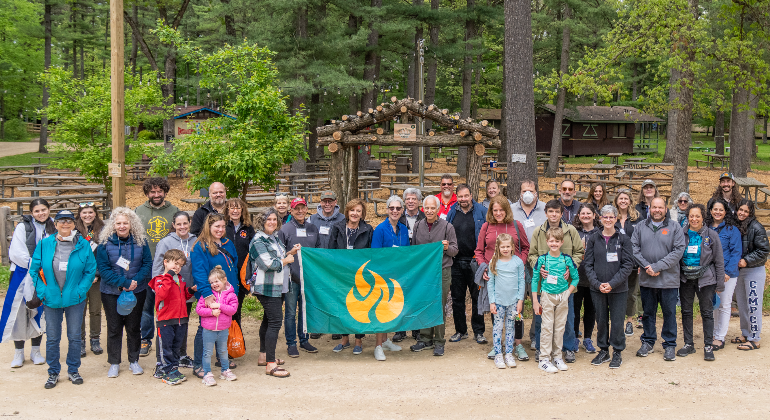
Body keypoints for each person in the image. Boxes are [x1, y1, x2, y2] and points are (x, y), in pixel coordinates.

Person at [30, 210, 97, 389]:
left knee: (74, 336)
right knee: (52, 337)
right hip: (51, 299)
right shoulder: (44, 244)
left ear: (74, 224)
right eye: (61, 221)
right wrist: (42, 291)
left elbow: (91, 270)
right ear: (56, 223)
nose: (65, 224)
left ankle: (73, 369)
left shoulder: (83, 244)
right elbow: (34, 270)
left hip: (75, 299)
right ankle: (53, 372)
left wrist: (81, 290)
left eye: (69, 221)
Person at [96, 207, 153, 378]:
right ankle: (114, 362)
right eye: (118, 223)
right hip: (111, 292)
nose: (122, 226)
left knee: (134, 327)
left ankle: (134, 361)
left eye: (125, 223)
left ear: (131, 224)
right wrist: (124, 283)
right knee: (114, 327)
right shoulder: (104, 244)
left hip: (137, 291)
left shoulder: (141, 242)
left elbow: (147, 263)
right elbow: (104, 270)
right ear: (113, 224)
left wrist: (135, 281)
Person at [528, 199, 584, 363]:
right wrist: (539, 267)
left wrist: (570, 267)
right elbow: (532, 254)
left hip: (565, 286)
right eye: (550, 211)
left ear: (561, 213)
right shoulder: (538, 232)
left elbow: (579, 252)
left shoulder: (571, 231)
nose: (553, 214)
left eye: (557, 212)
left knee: (567, 319)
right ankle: (541, 348)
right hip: (543, 287)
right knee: (541, 320)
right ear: (546, 213)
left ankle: (567, 348)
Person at [475, 195, 530, 361]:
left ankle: (517, 344)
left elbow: (526, 247)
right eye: (495, 210)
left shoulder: (516, 225)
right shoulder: (486, 226)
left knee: (516, 312)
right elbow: (479, 251)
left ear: (507, 210)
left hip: (514, 275)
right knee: (496, 310)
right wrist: (484, 267)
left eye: (501, 210)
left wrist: (519, 263)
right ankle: (497, 345)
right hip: (495, 274)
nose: (498, 213)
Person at [631, 197, 686, 361]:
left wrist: (658, 266)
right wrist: (648, 266)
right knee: (648, 313)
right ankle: (648, 341)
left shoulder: (674, 227)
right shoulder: (641, 226)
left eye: (660, 207)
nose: (657, 210)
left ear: (666, 209)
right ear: (649, 209)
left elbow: (678, 251)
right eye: (654, 207)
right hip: (647, 279)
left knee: (669, 313)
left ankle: (669, 344)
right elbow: (634, 249)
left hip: (668, 280)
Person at [2, 199, 54, 368]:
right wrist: (37, 264)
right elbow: (16, 253)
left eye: (44, 210)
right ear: (32, 212)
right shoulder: (22, 227)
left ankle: (36, 350)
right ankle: (18, 353)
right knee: (20, 311)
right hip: (22, 274)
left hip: (45, 276)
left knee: (40, 310)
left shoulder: (53, 226)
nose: (41, 213)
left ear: (48, 210)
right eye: (37, 211)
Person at [583, 205, 634, 369]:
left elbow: (627, 265)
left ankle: (617, 351)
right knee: (602, 320)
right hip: (597, 288)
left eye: (611, 217)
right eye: (605, 217)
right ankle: (603, 350)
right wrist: (597, 284)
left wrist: (612, 284)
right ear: (600, 219)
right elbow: (588, 264)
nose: (608, 220)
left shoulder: (623, 239)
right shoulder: (593, 238)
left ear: (616, 218)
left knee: (618, 322)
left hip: (618, 289)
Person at [190, 213, 239, 378]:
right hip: (210, 294)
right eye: (217, 226)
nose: (220, 229)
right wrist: (206, 294)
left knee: (223, 326)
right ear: (208, 227)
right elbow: (199, 271)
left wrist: (233, 290)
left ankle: (221, 358)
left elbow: (234, 264)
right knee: (204, 328)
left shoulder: (228, 243)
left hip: (227, 292)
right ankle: (199, 364)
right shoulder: (201, 246)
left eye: (223, 226)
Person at [135, 178, 180, 358]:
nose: (156, 195)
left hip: (168, 267)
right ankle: (145, 338)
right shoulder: (139, 211)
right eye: (152, 192)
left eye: (159, 191)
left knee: (168, 305)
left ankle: (170, 339)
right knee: (146, 306)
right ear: (147, 193)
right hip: (146, 265)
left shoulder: (175, 211)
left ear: (165, 192)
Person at [409, 195, 458, 356]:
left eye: (432, 208)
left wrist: (446, 248)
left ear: (438, 209)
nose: (429, 211)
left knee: (438, 305)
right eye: (427, 208)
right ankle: (425, 338)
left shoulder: (447, 227)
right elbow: (414, 250)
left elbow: (455, 250)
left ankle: (439, 341)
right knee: (424, 303)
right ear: (423, 208)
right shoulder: (418, 226)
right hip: (424, 272)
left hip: (442, 271)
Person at [249, 208, 295, 378]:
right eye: (268, 219)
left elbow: (279, 258)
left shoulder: (274, 237)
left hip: (278, 286)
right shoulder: (258, 240)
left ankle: (264, 356)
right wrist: (286, 260)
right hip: (267, 287)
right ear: (262, 221)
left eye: (275, 219)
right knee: (275, 322)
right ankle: (270, 364)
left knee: (268, 321)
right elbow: (267, 264)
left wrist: (290, 253)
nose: (272, 222)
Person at [151, 211, 197, 374]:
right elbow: (158, 264)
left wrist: (192, 288)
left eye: (185, 223)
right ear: (174, 225)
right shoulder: (166, 242)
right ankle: (162, 363)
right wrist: (157, 286)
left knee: (182, 324)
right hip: (167, 291)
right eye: (179, 224)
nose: (182, 226)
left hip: (185, 289)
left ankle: (180, 356)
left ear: (189, 223)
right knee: (166, 328)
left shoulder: (195, 240)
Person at [677, 204, 724, 361]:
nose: (694, 219)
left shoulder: (711, 235)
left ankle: (708, 345)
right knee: (686, 311)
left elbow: (718, 261)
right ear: (687, 217)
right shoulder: (681, 234)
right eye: (691, 216)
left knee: (706, 312)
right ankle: (688, 344)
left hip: (706, 279)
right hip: (685, 278)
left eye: (697, 216)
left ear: (703, 217)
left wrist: (719, 284)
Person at [328, 198, 374, 354]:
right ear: (347, 212)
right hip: (341, 275)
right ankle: (344, 339)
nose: (355, 213)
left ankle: (359, 340)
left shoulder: (368, 229)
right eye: (352, 210)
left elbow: (370, 253)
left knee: (360, 306)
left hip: (360, 274)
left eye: (358, 211)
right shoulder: (337, 228)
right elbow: (331, 251)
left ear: (362, 214)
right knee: (343, 305)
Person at [531, 227, 579, 373]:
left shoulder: (566, 259)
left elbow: (576, 278)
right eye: (551, 241)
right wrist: (535, 300)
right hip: (547, 295)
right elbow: (535, 279)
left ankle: (557, 356)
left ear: (561, 242)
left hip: (563, 296)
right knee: (547, 326)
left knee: (560, 327)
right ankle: (544, 359)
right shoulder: (542, 259)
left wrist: (568, 293)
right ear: (546, 242)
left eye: (557, 241)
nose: (554, 244)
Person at [277, 197, 320, 357]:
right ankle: (291, 343)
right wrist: (291, 252)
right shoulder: (285, 229)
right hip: (291, 278)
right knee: (290, 312)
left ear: (306, 209)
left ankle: (304, 340)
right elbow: (280, 254)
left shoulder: (313, 228)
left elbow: (318, 252)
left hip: (307, 278)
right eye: (296, 208)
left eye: (303, 208)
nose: (300, 211)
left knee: (304, 311)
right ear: (292, 210)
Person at [447, 184, 489, 345]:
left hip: (475, 261)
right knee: (457, 297)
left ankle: (479, 331)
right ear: (456, 197)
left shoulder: (481, 211)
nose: (463, 199)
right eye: (460, 196)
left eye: (466, 196)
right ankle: (460, 330)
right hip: (456, 261)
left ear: (471, 195)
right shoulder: (453, 212)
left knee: (476, 297)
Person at [370, 195, 410, 361]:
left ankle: (385, 341)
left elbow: (407, 253)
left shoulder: (404, 229)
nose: (395, 211)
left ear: (402, 210)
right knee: (381, 310)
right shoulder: (380, 229)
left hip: (398, 276)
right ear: (387, 210)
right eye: (391, 208)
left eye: (398, 208)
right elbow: (375, 254)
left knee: (391, 309)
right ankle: (377, 346)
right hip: (382, 276)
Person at [511, 179, 547, 350]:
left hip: (538, 262)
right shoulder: (511, 209)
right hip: (516, 261)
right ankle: (517, 335)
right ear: (520, 192)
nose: (527, 193)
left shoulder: (545, 209)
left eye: (531, 190)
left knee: (537, 300)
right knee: (516, 300)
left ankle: (535, 335)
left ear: (536, 193)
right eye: (524, 190)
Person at [149, 249, 194, 385]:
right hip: (165, 320)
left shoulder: (180, 279)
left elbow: (183, 297)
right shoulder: (159, 280)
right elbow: (162, 294)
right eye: (175, 264)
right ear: (165, 262)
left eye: (180, 265)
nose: (177, 268)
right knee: (166, 347)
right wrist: (169, 276)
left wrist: (191, 291)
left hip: (180, 319)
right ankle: (165, 370)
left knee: (176, 346)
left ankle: (173, 368)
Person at [732, 199, 768, 350]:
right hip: (739, 271)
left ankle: (755, 338)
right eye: (741, 210)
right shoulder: (735, 225)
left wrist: (747, 260)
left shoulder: (756, 227)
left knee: (753, 303)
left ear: (751, 213)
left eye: (746, 211)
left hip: (754, 270)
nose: (742, 213)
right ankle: (746, 333)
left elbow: (764, 250)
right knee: (742, 304)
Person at [706, 198, 742, 350]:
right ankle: (714, 333)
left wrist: (726, 272)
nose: (718, 212)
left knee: (725, 304)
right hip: (710, 273)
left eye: (721, 210)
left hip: (728, 274)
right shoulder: (706, 228)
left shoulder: (731, 230)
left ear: (726, 212)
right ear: (710, 211)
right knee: (714, 304)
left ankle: (720, 337)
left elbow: (736, 252)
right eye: (715, 209)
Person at [487, 233, 526, 369]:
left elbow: (522, 282)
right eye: (502, 246)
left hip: (513, 302)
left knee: (510, 327)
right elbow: (490, 283)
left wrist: (520, 300)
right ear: (498, 247)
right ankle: (498, 354)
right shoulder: (494, 262)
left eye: (507, 246)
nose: (505, 249)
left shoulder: (518, 262)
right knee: (498, 327)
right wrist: (492, 301)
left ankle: (509, 353)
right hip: (498, 301)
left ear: (512, 247)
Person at [196, 265, 238, 386]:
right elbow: (199, 310)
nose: (214, 284)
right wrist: (211, 312)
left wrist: (219, 306)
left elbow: (232, 310)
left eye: (216, 281)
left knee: (223, 351)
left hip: (223, 329)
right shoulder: (207, 295)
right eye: (211, 282)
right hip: (208, 329)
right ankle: (207, 374)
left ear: (224, 279)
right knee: (207, 352)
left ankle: (225, 370)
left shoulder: (231, 295)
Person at [394, 188, 425, 342]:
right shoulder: (397, 218)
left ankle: (416, 329)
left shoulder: (426, 217)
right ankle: (400, 330)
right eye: (408, 199)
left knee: (416, 295)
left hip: (419, 264)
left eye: (414, 199)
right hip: (401, 264)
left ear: (419, 201)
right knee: (400, 295)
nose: (411, 201)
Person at [75, 203, 105, 357]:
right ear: (80, 214)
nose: (87, 215)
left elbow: (105, 254)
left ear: (95, 213)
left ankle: (95, 338)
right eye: (84, 212)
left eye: (90, 212)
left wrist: (97, 274)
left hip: (96, 278)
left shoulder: (103, 229)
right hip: (78, 278)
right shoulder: (73, 230)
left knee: (95, 310)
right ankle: (79, 341)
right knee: (79, 310)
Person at [224, 198, 255, 336]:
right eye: (232, 207)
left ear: (242, 210)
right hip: (224, 276)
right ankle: (224, 342)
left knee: (236, 309)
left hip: (241, 276)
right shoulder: (222, 227)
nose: (235, 210)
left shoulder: (248, 228)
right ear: (227, 210)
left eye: (238, 208)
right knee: (225, 310)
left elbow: (253, 251)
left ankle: (236, 341)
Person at [572, 203, 600, 354]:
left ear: (594, 215)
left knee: (591, 310)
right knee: (575, 309)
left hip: (593, 279)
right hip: (576, 278)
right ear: (578, 215)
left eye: (589, 213)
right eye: (583, 213)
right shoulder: (573, 232)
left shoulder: (600, 233)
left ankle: (587, 338)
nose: (586, 216)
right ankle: (575, 337)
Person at [614, 190, 642, 335]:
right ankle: (616, 321)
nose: (623, 201)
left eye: (626, 198)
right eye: (621, 199)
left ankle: (629, 321)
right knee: (616, 292)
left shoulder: (637, 219)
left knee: (631, 292)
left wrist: (640, 263)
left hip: (633, 262)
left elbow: (642, 242)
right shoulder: (612, 217)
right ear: (616, 201)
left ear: (630, 201)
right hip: (614, 262)